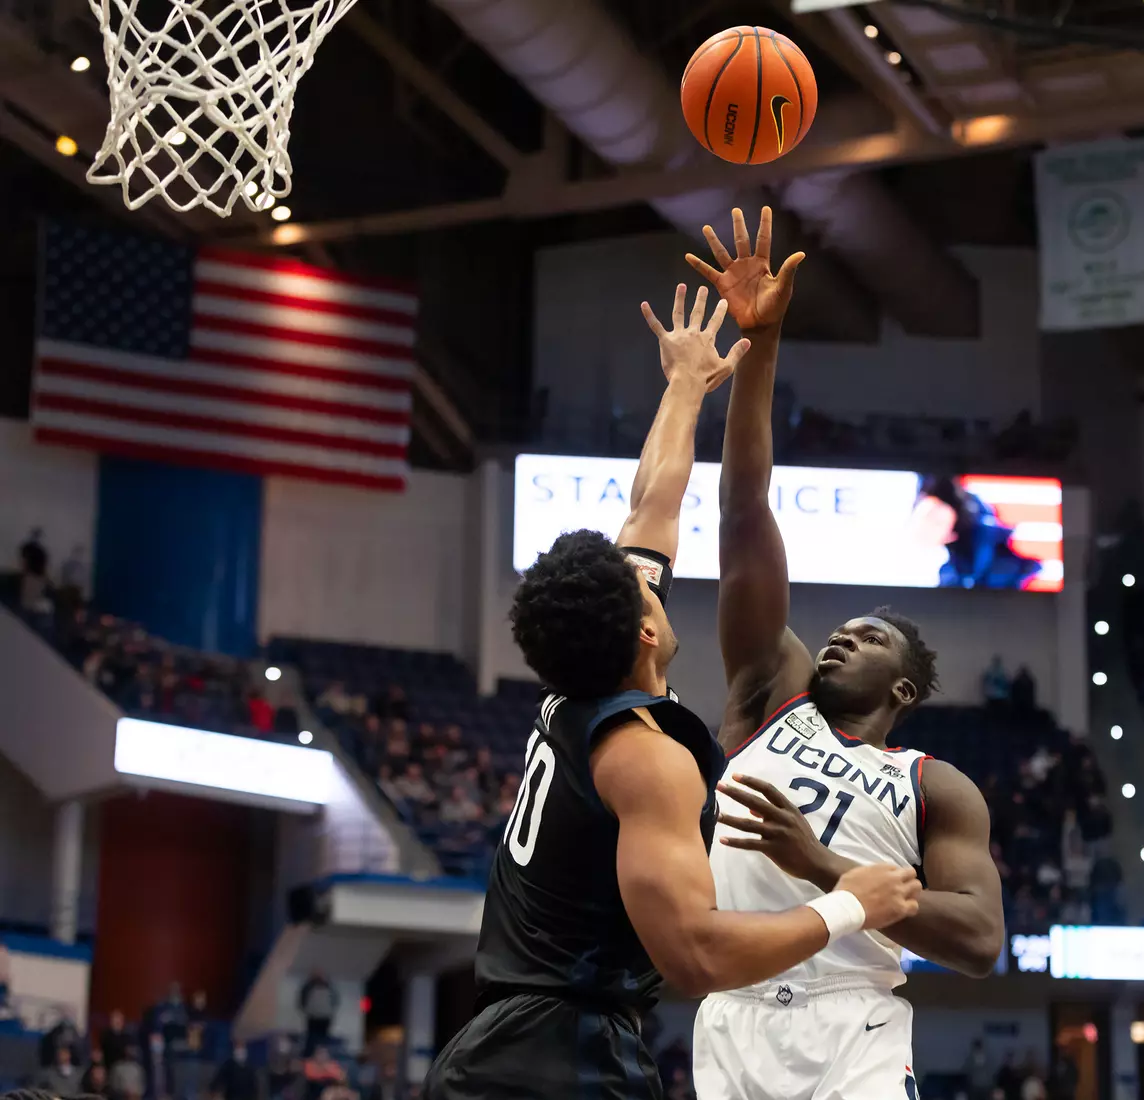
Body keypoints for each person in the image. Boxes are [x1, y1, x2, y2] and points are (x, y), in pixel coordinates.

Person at [424, 282, 920, 1100]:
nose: (653, 578)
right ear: (645, 634)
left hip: (500, 1047)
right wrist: (850, 905)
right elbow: (693, 955)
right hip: (562, 1059)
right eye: (645, 591)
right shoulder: (645, 759)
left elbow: (652, 501)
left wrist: (687, 383)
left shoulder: (580, 683)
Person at [689, 206, 1005, 1100]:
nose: (840, 636)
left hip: (855, 1019)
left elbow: (981, 942)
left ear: (902, 687)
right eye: (841, 629)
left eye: (869, 637)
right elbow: (744, 512)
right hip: (736, 1010)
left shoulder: (934, 785)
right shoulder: (770, 692)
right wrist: (761, 345)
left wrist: (824, 870)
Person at [297, 971, 337, 1055]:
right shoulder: (310, 987)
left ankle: (321, 1056)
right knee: (311, 1039)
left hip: (325, 1018)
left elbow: (335, 1001)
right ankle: (309, 1055)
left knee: (322, 1040)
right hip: (313, 1017)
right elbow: (302, 999)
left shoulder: (329, 988)